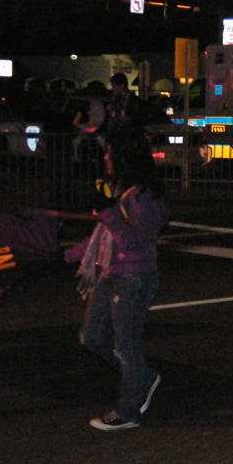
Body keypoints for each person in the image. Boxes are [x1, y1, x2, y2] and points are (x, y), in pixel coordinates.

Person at [65, 132, 169, 430]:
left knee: (125, 345)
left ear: (126, 158)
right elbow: (106, 236)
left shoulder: (142, 196)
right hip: (111, 273)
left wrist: (107, 210)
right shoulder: (122, 190)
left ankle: (130, 410)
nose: (106, 158)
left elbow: (133, 240)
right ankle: (143, 378)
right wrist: (69, 254)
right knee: (93, 337)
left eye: (111, 154)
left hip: (134, 277)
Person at [105, 72, 147, 137]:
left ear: (122, 86)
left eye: (114, 86)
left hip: (130, 135)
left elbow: (138, 118)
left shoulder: (134, 101)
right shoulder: (116, 101)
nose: (112, 89)